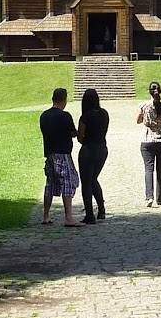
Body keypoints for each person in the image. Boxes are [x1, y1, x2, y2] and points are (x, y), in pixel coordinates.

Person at [39, 87, 84, 227]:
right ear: (64, 100)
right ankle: (69, 217)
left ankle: (46, 215)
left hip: (49, 153)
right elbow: (73, 133)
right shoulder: (65, 116)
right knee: (69, 181)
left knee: (50, 183)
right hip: (63, 154)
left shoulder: (44, 116)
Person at [135, 80, 161, 206]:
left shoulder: (143, 106)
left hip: (147, 141)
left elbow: (138, 121)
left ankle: (149, 197)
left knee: (148, 169)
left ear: (149, 92)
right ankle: (160, 198)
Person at [76, 87, 110, 223]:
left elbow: (79, 137)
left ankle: (89, 214)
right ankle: (101, 209)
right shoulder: (104, 114)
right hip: (102, 148)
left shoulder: (85, 117)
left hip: (88, 150)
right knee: (93, 179)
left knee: (86, 182)